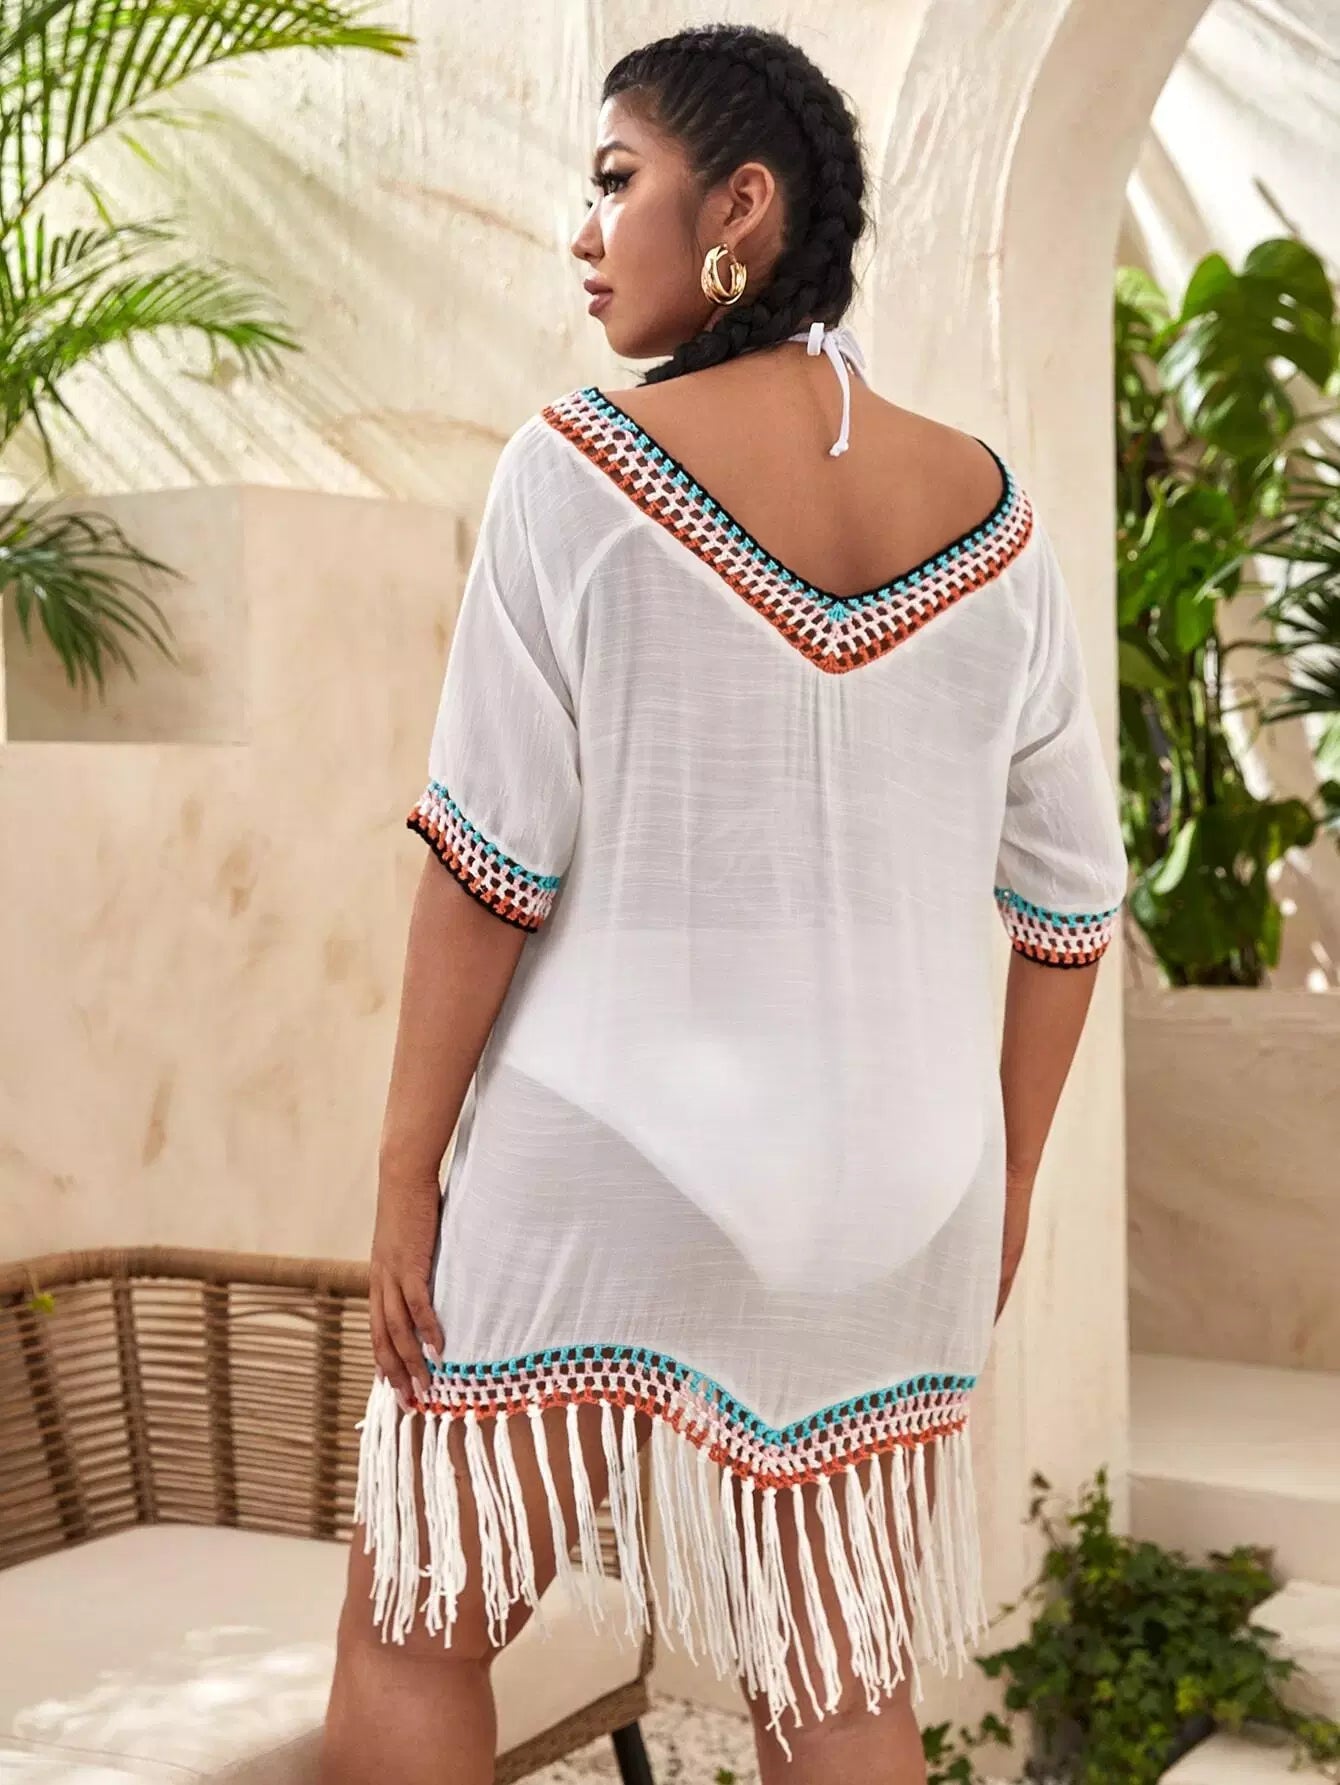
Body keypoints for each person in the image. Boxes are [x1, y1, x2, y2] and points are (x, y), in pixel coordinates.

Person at [320, 21, 1128, 1785]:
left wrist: (403, 1175)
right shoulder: (1000, 522)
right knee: (836, 1690)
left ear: (740, 206)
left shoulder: (574, 471)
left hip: (608, 1149)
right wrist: (996, 1190)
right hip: (903, 1194)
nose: (584, 228)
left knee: (415, 1628)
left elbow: (487, 870)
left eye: (617, 180)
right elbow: (1072, 908)